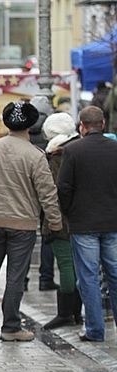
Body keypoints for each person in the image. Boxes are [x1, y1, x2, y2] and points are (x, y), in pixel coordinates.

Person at [0, 102, 62, 342]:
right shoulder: (35, 155)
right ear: (31, 125)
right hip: (23, 225)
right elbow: (47, 193)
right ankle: (10, 326)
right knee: (15, 276)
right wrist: (55, 223)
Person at [57, 106, 117, 342]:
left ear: (82, 126)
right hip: (113, 222)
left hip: (83, 224)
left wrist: (68, 212)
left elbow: (64, 188)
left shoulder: (72, 150)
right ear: (102, 124)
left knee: (88, 277)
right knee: (115, 274)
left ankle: (94, 329)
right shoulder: (115, 149)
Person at [40, 112, 81, 330]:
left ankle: (66, 313)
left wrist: (52, 220)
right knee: (82, 266)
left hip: (62, 219)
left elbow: (53, 191)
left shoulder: (57, 155)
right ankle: (77, 313)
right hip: (86, 218)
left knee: (65, 264)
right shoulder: (80, 147)